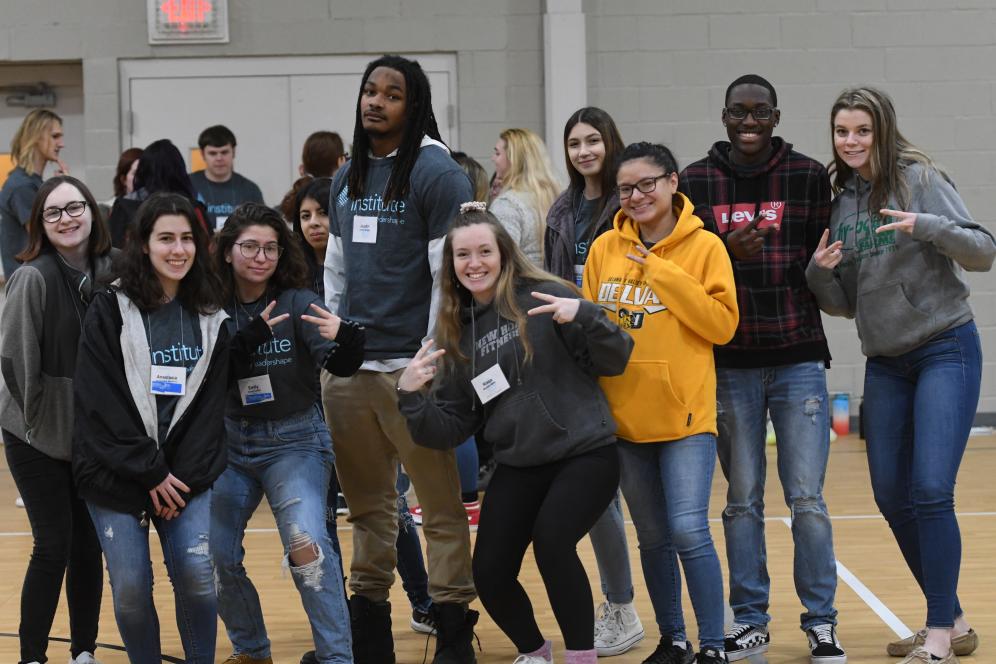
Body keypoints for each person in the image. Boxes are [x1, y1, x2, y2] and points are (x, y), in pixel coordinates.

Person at [397, 204, 633, 664]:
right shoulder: (457, 334)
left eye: (484, 251)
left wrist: (585, 314)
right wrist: (409, 396)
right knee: (488, 570)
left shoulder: (546, 297)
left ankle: (581, 656)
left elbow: (616, 358)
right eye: (463, 255)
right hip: (520, 463)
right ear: (452, 266)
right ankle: (535, 651)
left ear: (503, 253)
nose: (474, 263)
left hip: (585, 452)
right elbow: (448, 429)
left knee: (553, 541)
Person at [807, 86, 995, 664]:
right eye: (842, 132)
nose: (851, 141)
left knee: (931, 489)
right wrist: (818, 273)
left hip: (944, 347)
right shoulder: (840, 202)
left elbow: (983, 251)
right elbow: (844, 304)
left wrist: (928, 226)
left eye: (862, 130)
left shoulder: (920, 178)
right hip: (886, 362)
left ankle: (938, 632)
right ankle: (954, 618)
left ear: (882, 131)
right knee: (891, 494)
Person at [678, 74, 845, 664]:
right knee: (742, 499)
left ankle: (821, 621)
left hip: (798, 355)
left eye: (760, 112)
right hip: (729, 364)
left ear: (775, 116)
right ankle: (750, 619)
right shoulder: (696, 181)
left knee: (807, 499)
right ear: (724, 116)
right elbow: (686, 271)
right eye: (737, 112)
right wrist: (727, 251)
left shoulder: (805, 177)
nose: (749, 121)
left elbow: (822, 264)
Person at [322, 54, 476, 664]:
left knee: (439, 510)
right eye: (369, 91)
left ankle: (455, 632)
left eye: (391, 94)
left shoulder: (438, 174)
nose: (375, 102)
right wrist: (334, 345)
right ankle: (371, 635)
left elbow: (449, 278)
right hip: (352, 374)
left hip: (414, 373)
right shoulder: (347, 176)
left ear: (413, 107)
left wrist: (427, 360)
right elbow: (335, 267)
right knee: (367, 511)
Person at [73, 192, 267, 664]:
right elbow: (100, 403)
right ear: (143, 245)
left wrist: (174, 476)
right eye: (165, 239)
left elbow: (207, 412)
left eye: (186, 239)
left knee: (199, 579)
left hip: (183, 479)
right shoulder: (109, 306)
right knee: (133, 591)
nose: (177, 250)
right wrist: (150, 471)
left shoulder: (210, 314)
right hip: (115, 473)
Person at [583, 142, 739, 664]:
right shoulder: (604, 248)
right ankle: (673, 639)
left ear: (673, 182)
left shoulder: (705, 248)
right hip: (624, 421)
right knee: (651, 536)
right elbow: (590, 328)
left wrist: (661, 272)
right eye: (626, 188)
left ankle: (713, 646)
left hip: (686, 418)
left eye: (647, 184)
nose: (636, 196)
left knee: (687, 529)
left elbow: (722, 324)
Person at [211, 203, 365, 664]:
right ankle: (252, 650)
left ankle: (338, 658)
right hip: (229, 442)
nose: (261, 257)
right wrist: (248, 339)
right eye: (250, 247)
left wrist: (349, 337)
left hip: (295, 439)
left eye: (271, 248)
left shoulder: (298, 302)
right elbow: (205, 375)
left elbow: (342, 363)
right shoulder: (209, 306)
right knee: (213, 556)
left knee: (307, 548)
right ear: (226, 251)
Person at [543, 106, 644, 657]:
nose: (584, 151)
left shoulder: (629, 201)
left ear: (610, 142)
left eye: (592, 141)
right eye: (574, 143)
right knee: (600, 491)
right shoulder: (561, 209)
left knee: (641, 498)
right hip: (578, 356)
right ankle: (621, 606)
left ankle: (639, 608)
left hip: (625, 347)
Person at [0, 175, 112, 664]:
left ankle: (84, 650)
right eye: (54, 212)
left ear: (92, 212)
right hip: (35, 431)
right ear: (40, 224)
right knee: (53, 544)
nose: (66, 219)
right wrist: (39, 422)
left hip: (92, 434)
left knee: (89, 546)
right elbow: (14, 361)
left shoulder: (114, 271)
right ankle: (31, 657)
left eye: (74, 208)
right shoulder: (33, 276)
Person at [107, 139, 209, 247]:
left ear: (142, 170)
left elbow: (114, 249)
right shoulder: (194, 208)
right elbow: (207, 249)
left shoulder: (124, 206)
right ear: (180, 171)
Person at [1, 109, 66, 277]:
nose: (61, 144)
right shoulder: (22, 186)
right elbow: (46, 238)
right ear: (37, 137)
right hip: (29, 285)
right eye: (55, 136)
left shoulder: (34, 183)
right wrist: (67, 190)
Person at [489, 128, 561, 265]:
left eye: (497, 153)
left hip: (521, 284)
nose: (493, 158)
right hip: (554, 283)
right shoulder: (556, 197)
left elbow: (501, 262)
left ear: (513, 159)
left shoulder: (507, 205)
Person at [190, 124, 265, 229]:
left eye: (224, 152)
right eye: (213, 153)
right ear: (202, 154)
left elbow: (261, 227)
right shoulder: (187, 186)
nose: (219, 158)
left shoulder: (250, 190)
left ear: (233, 152)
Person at [103, 147, 143, 212]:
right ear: (123, 179)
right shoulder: (110, 210)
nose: (143, 177)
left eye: (147, 172)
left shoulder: (154, 206)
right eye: (136, 173)